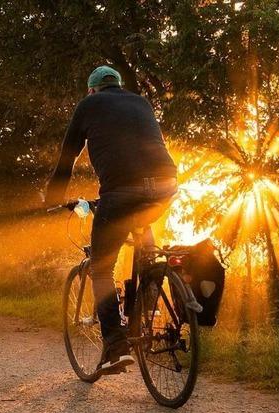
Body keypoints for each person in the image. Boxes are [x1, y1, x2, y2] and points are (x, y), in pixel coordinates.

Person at [45, 65, 177, 375]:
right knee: (146, 250)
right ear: (117, 85)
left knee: (101, 267)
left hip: (120, 193)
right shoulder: (141, 103)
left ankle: (116, 345)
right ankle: (144, 318)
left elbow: (68, 156)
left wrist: (53, 197)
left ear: (92, 90)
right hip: (165, 189)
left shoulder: (88, 105)